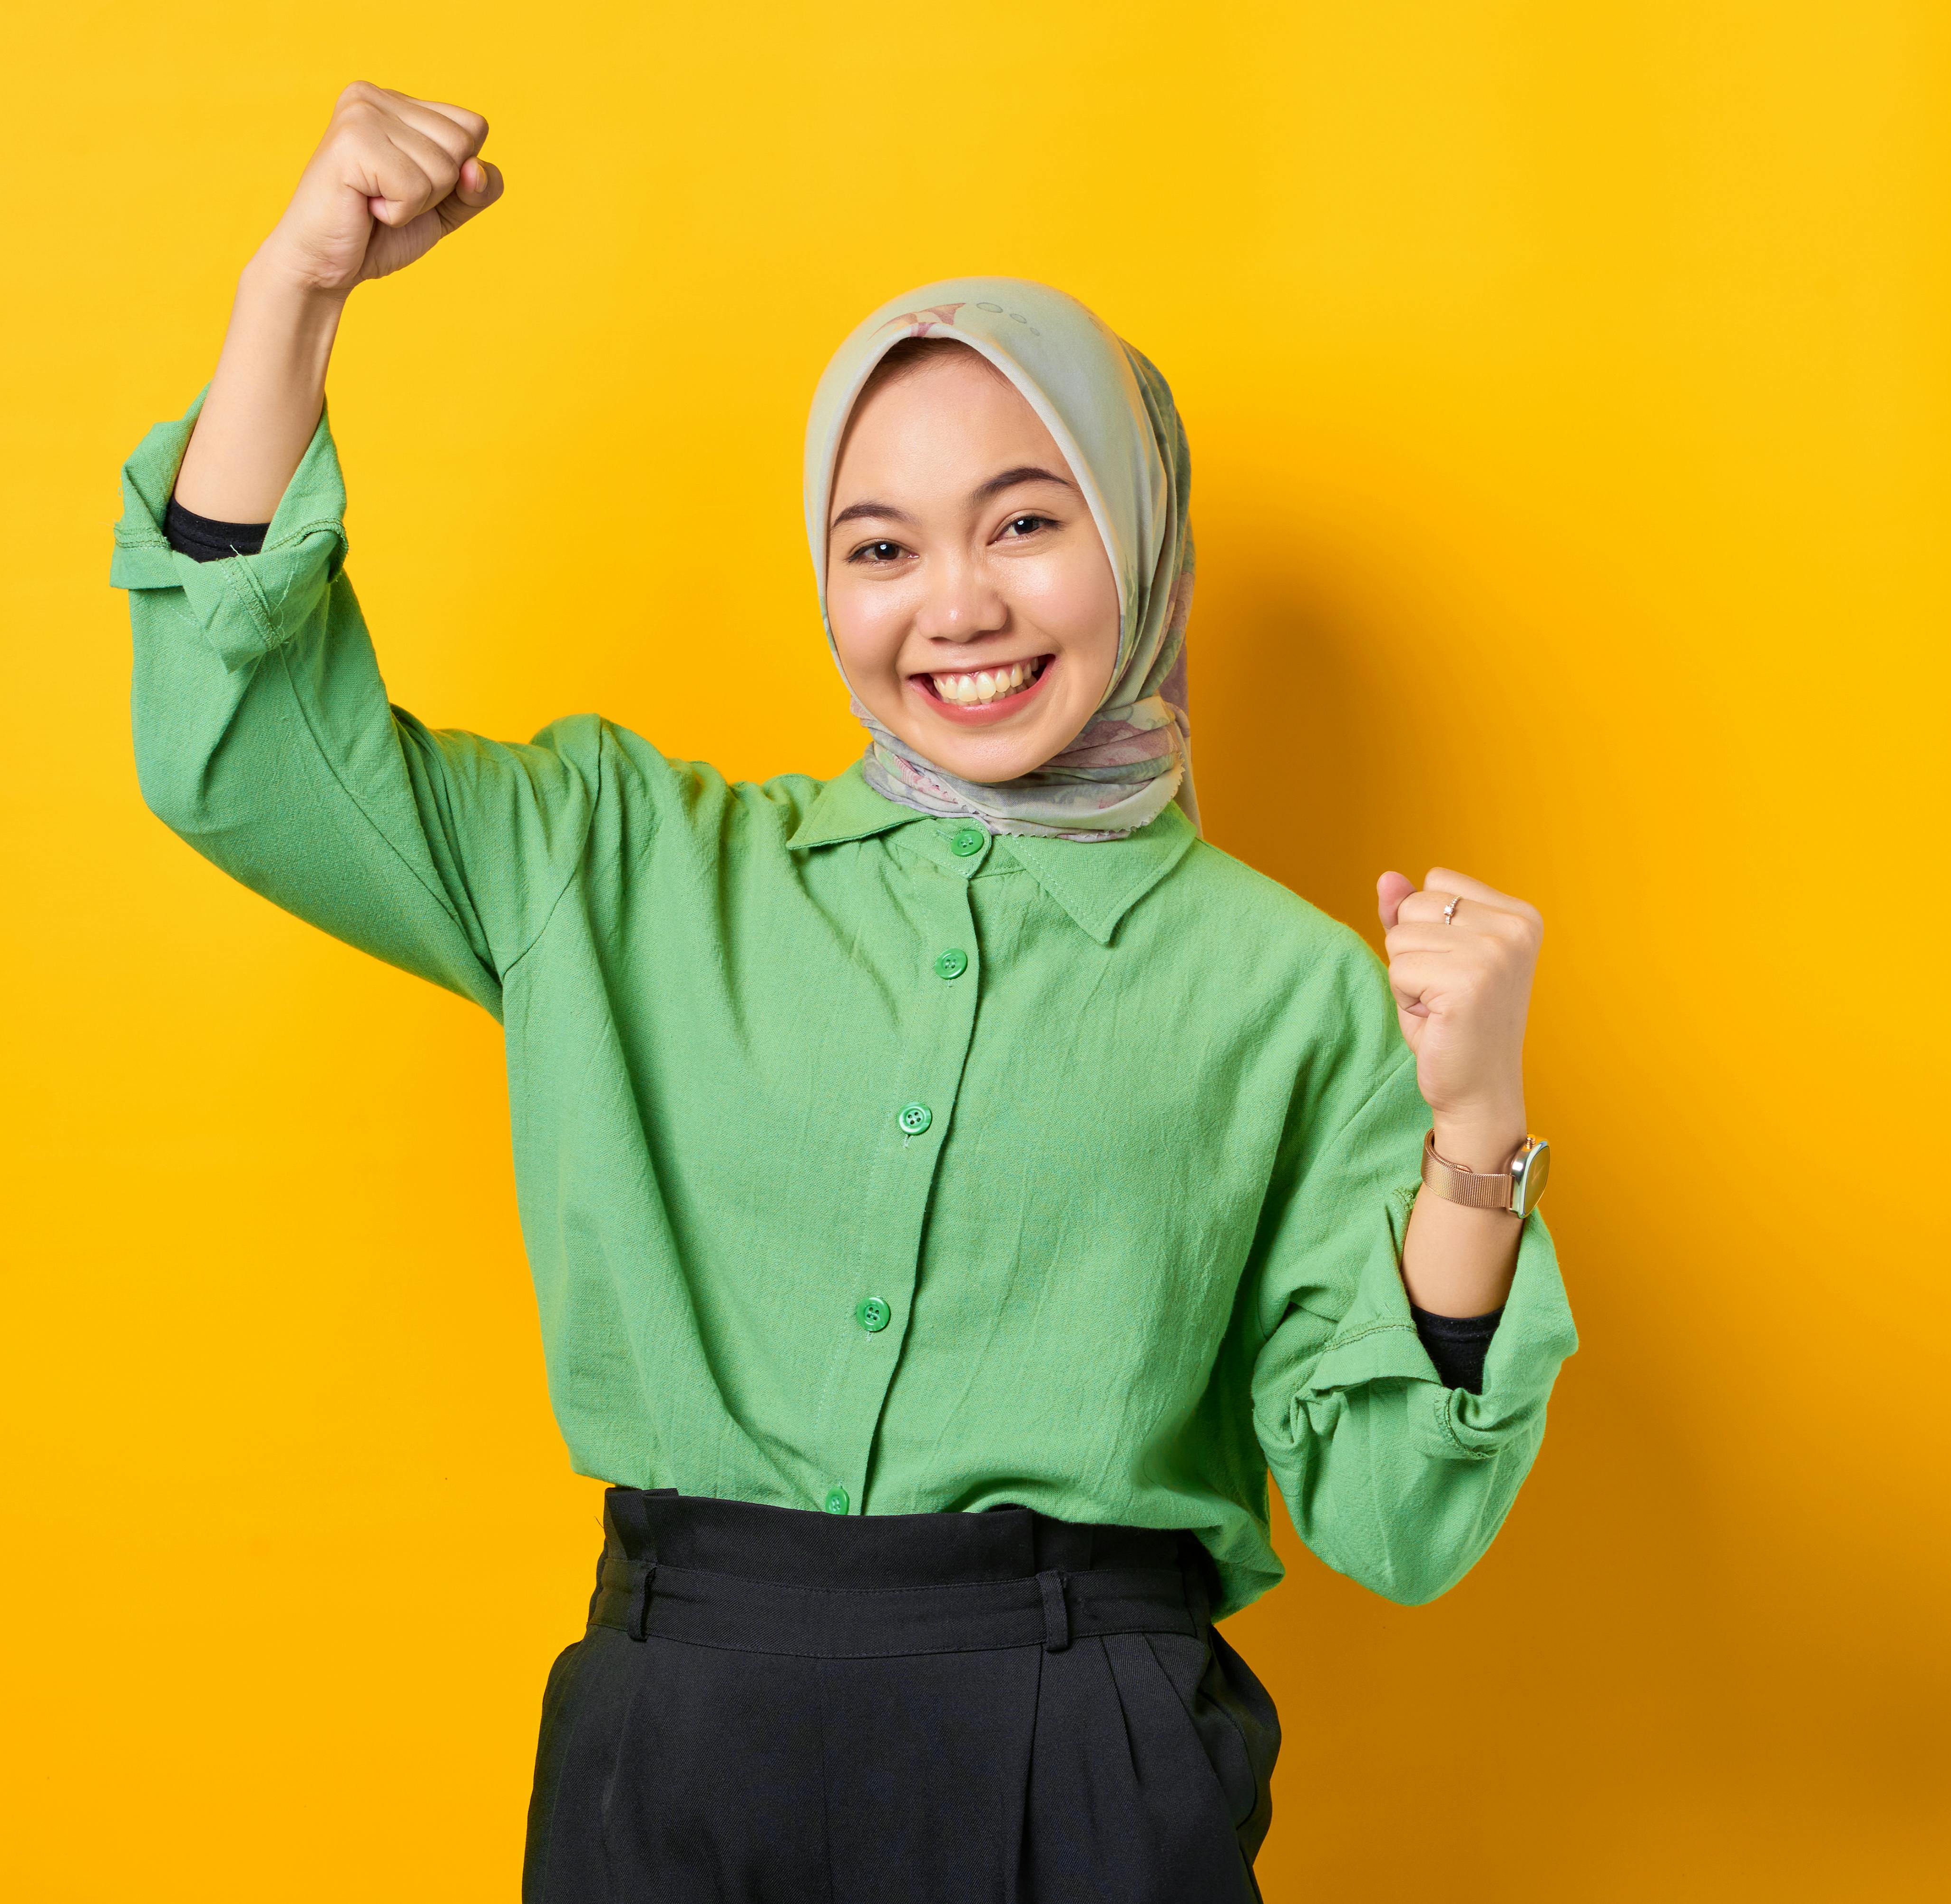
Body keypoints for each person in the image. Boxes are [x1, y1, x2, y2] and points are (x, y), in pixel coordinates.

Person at [111, 81, 1578, 1904]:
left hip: (1089, 1760)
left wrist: (1474, 1134)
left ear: (1140, 531)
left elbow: (1396, 1511)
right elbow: (241, 754)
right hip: (680, 1753)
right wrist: (294, 294)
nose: (955, 604)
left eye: (1025, 521)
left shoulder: (1288, 991)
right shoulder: (618, 859)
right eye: (881, 546)